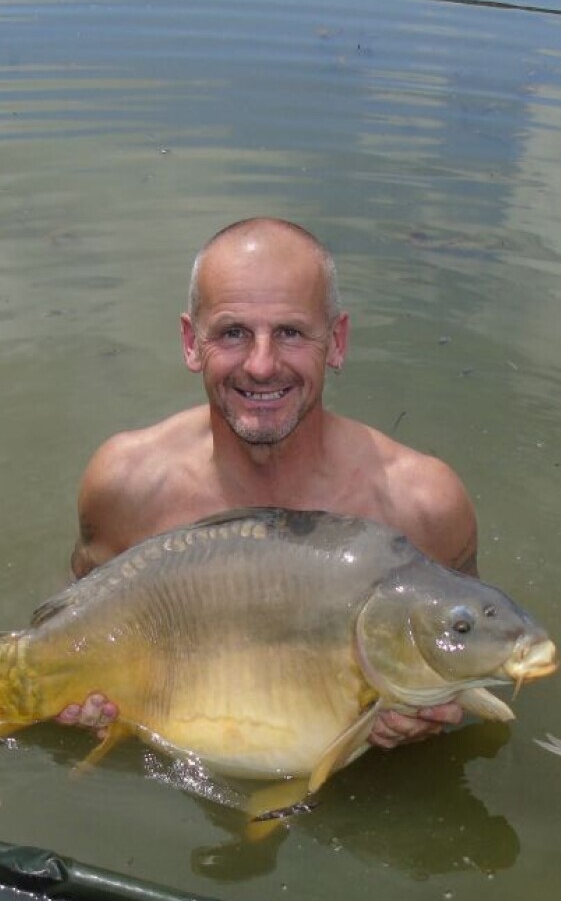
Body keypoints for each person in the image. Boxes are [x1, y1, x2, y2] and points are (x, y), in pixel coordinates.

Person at [61, 217, 478, 750]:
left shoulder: (422, 507)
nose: (261, 365)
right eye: (233, 333)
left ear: (337, 341)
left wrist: (437, 718)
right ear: (191, 342)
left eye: (290, 333)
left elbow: (479, 666)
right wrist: (77, 694)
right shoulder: (126, 486)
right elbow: (72, 620)